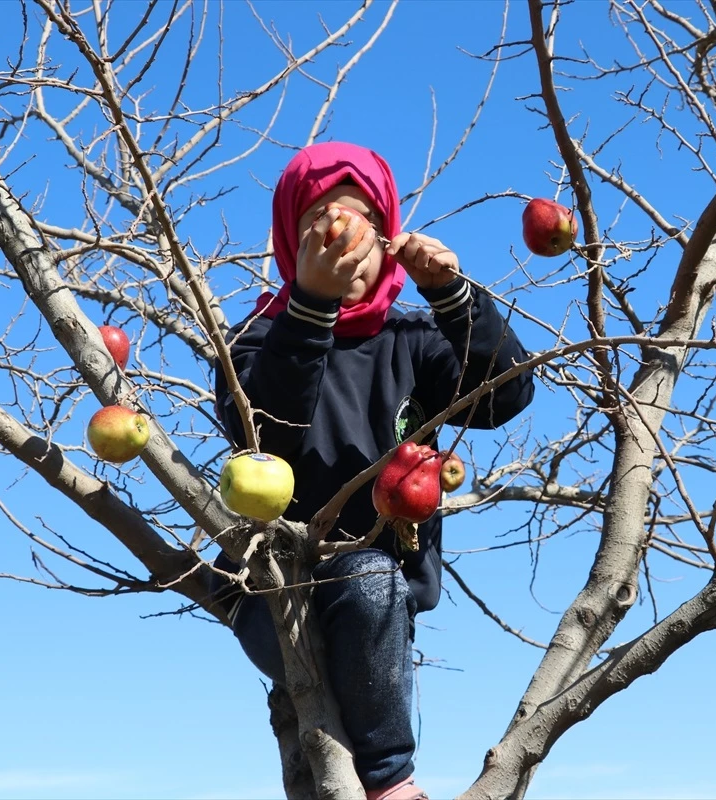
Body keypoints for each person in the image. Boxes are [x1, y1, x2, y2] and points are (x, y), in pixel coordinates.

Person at [210, 141, 536, 800]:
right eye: (316, 228)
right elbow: (267, 433)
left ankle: (375, 775)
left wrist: (452, 294)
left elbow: (503, 396)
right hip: (277, 593)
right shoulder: (255, 340)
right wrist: (309, 310)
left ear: (388, 236)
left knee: (370, 585)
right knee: (337, 736)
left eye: (359, 223)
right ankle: (394, 781)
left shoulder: (411, 340)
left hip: (381, 604)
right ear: (288, 242)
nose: (340, 241)